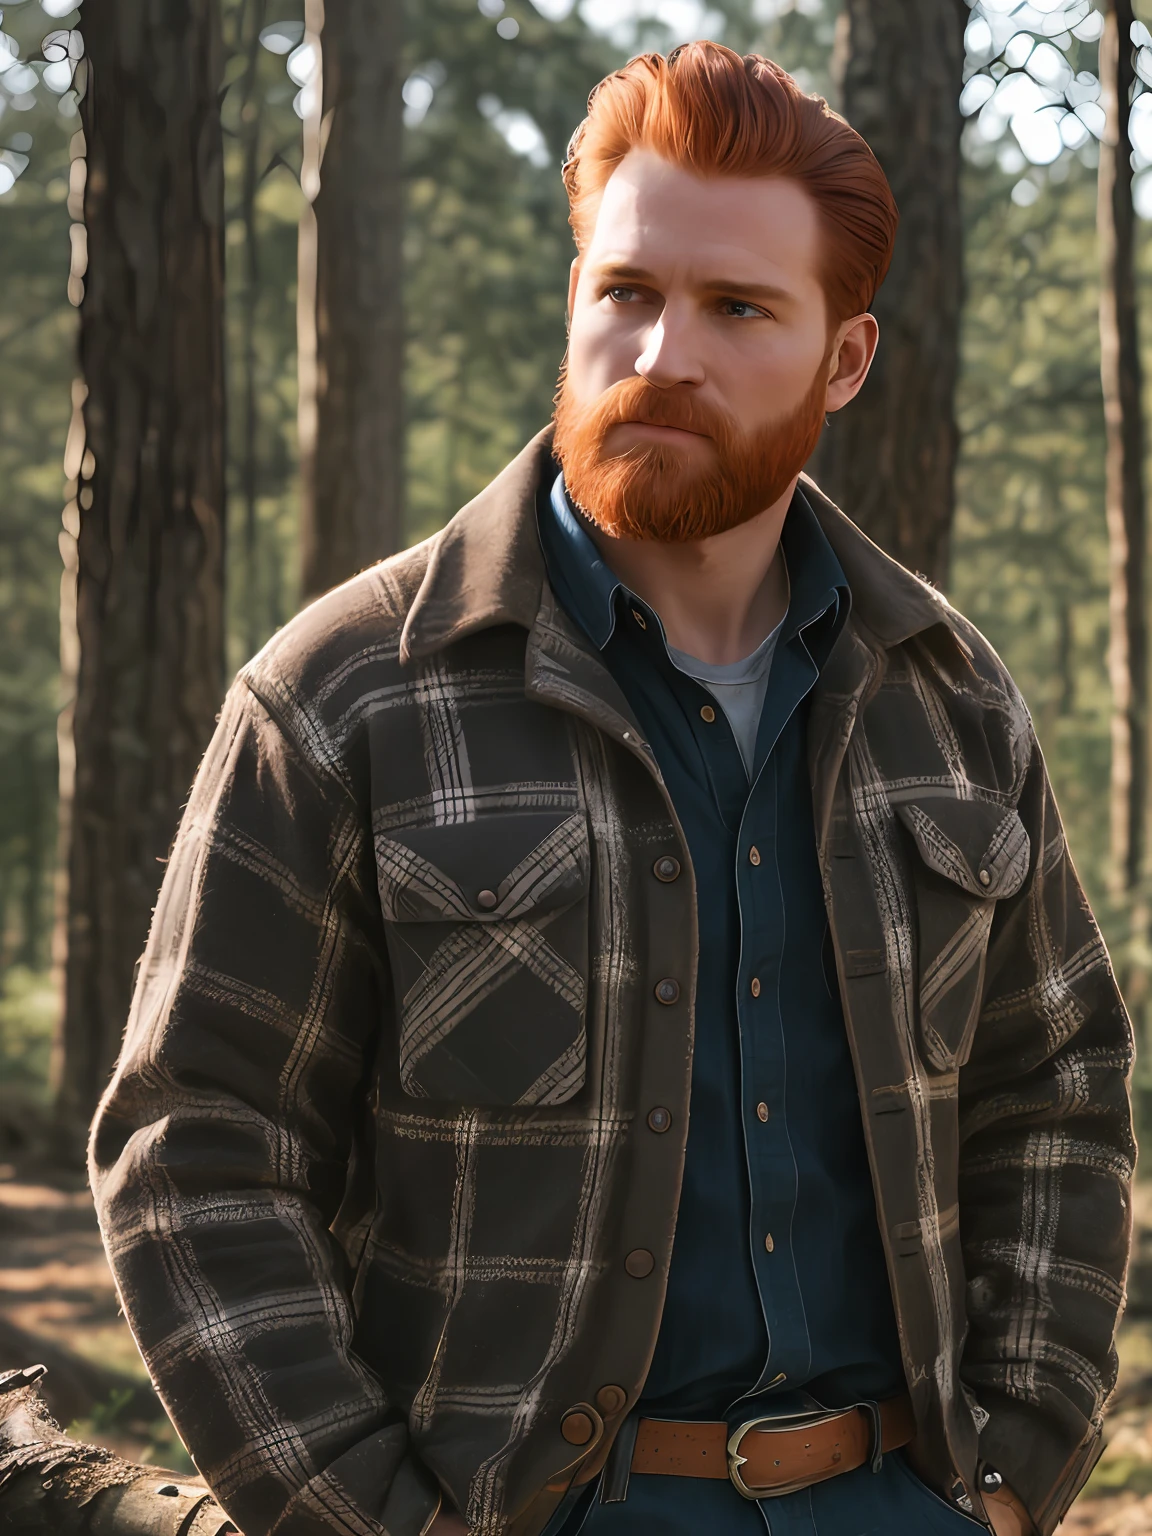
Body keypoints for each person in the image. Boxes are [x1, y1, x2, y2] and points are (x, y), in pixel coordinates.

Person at [89, 41, 1134, 1536]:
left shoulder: (949, 702)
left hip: (904, 1505)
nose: (661, 353)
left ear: (845, 359)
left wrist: (1016, 1471)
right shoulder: (347, 693)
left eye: (737, 309)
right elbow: (193, 1146)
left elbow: (1060, 1094)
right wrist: (370, 1520)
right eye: (626, 292)